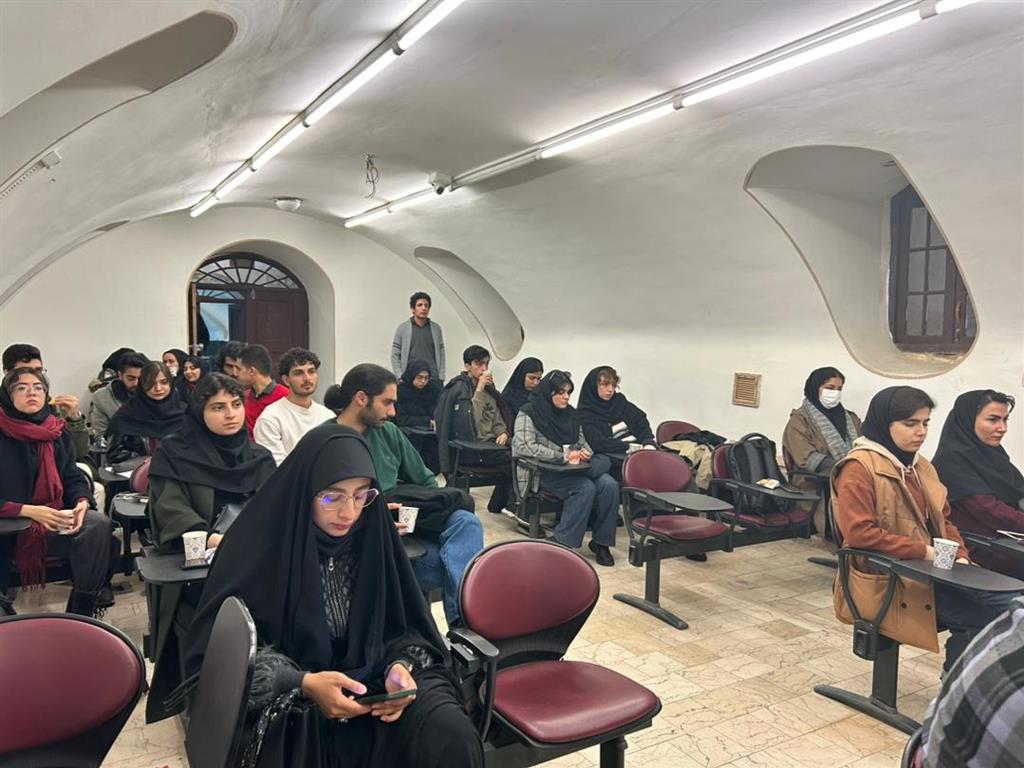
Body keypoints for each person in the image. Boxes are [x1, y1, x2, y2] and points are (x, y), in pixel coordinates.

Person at [179, 425, 484, 768]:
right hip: (295, 698)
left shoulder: (373, 536)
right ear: (304, 491)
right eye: (331, 497)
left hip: (374, 682)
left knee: (450, 733)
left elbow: (408, 626)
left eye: (362, 495)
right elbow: (218, 660)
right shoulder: (254, 548)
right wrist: (302, 682)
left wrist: (401, 666)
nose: (348, 513)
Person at [831, 386, 1021, 670]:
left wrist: (961, 555)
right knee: (987, 614)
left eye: (925, 423)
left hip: (927, 573)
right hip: (885, 580)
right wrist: (925, 551)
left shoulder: (920, 467)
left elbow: (944, 520)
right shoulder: (859, 468)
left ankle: (969, 680)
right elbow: (860, 534)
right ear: (885, 424)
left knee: (1013, 603)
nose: (920, 432)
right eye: (910, 424)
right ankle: (957, 684)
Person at [146, 372, 276, 722]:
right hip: (202, 567)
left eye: (236, 404)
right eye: (218, 407)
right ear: (199, 411)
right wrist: (213, 539)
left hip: (256, 563)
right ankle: (210, 706)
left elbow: (275, 509)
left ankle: (267, 694)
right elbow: (170, 509)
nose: (230, 414)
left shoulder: (260, 457)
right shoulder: (175, 453)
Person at [328, 364, 483, 625]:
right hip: (365, 538)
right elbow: (320, 509)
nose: (393, 412)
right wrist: (372, 520)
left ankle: (462, 630)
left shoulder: (388, 432)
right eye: (387, 403)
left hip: (403, 522)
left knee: (467, 522)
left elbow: (425, 480)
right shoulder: (327, 440)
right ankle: (462, 627)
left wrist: (436, 510)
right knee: (458, 567)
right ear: (361, 398)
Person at [0, 367, 111, 617]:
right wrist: (28, 510)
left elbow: (72, 476)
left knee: (98, 526)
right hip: (8, 527)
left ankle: (81, 612)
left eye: (38, 388)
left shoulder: (55, 431)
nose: (32, 393)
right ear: (7, 395)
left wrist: (81, 501)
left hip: (51, 520)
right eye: (22, 388)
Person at [513, 370, 619, 566]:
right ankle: (563, 541)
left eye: (569, 392)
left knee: (609, 484)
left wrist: (585, 452)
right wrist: (561, 455)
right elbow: (524, 446)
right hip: (542, 471)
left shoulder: (571, 414)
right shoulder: (528, 412)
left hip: (573, 469)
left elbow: (583, 442)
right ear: (549, 392)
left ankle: (601, 542)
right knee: (584, 488)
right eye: (561, 392)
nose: (566, 397)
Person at [918, 596, 1024, 768]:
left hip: (938, 740)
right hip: (923, 590)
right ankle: (951, 680)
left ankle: (951, 682)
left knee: (992, 610)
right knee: (983, 615)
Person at [933, 390, 1024, 579]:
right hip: (980, 557)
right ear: (968, 420)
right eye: (993, 420)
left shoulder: (994, 457)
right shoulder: (951, 462)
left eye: (1005, 420)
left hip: (1010, 546)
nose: (1002, 428)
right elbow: (990, 511)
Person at [783, 366, 863, 537]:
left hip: (852, 474)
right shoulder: (799, 420)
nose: (835, 393)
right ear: (815, 388)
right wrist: (845, 468)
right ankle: (843, 533)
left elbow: (863, 446)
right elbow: (807, 458)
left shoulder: (851, 418)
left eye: (839, 389)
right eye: (830, 388)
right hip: (815, 479)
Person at [435, 345, 513, 515]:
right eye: (478, 364)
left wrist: (503, 432)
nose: (484, 369)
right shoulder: (458, 389)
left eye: (486, 364)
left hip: (489, 446)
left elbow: (496, 417)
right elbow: (471, 422)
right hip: (468, 448)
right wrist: (479, 391)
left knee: (518, 457)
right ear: (467, 366)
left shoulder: (490, 390)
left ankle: (506, 506)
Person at [2, 343, 90, 460]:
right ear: (7, 373)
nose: (33, 376)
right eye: (24, 371)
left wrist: (74, 418)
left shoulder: (51, 407)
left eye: (38, 370)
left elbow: (78, 453)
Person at [254, 347, 334, 464]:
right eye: (298, 373)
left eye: (311, 371)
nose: (307, 378)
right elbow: (275, 466)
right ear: (286, 380)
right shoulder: (270, 418)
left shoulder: (328, 416)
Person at [578, 365, 656, 479]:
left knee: (672, 466)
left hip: (641, 452)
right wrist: (629, 447)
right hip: (617, 458)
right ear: (594, 386)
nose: (610, 389)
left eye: (613, 385)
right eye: (605, 385)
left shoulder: (620, 402)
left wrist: (648, 443)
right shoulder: (586, 413)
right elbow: (598, 443)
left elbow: (641, 423)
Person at [105, 361, 188, 463]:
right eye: (151, 383)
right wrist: (152, 461)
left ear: (171, 383)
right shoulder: (127, 414)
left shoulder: (186, 413)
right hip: (142, 470)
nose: (158, 388)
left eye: (164, 382)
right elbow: (115, 454)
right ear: (142, 385)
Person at [394, 358, 442, 473]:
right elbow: (401, 419)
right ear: (412, 375)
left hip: (430, 434)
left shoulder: (433, 390)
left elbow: (438, 410)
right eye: (419, 377)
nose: (423, 381)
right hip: (408, 433)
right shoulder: (401, 392)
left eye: (426, 378)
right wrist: (427, 421)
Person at [88, 350, 147, 440]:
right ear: (120, 375)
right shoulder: (102, 397)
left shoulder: (156, 392)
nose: (136, 383)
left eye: (141, 378)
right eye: (131, 378)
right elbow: (101, 436)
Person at [391, 291, 446, 382]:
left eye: (426, 305)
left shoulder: (436, 329)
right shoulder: (403, 328)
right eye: (419, 305)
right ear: (413, 309)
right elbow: (395, 354)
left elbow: (441, 353)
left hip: (432, 378)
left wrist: (441, 376)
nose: (423, 308)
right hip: (409, 379)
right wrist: (399, 376)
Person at [237, 343, 288, 437]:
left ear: (252, 371)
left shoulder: (285, 397)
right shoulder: (243, 397)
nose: (235, 373)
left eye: (239, 369)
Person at [500, 357, 543, 423]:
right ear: (522, 376)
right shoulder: (507, 398)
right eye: (532, 378)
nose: (536, 383)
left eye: (539, 379)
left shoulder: (540, 397)